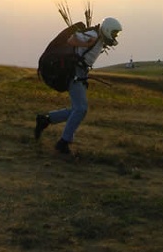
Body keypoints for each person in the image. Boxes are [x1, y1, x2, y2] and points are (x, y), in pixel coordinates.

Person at [34, 17, 123, 154]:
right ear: (107, 30)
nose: (115, 36)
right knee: (80, 109)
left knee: (77, 109)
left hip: (80, 72)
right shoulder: (93, 36)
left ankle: (45, 120)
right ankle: (63, 143)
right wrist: (85, 43)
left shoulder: (98, 38)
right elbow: (71, 40)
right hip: (74, 72)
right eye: (114, 33)